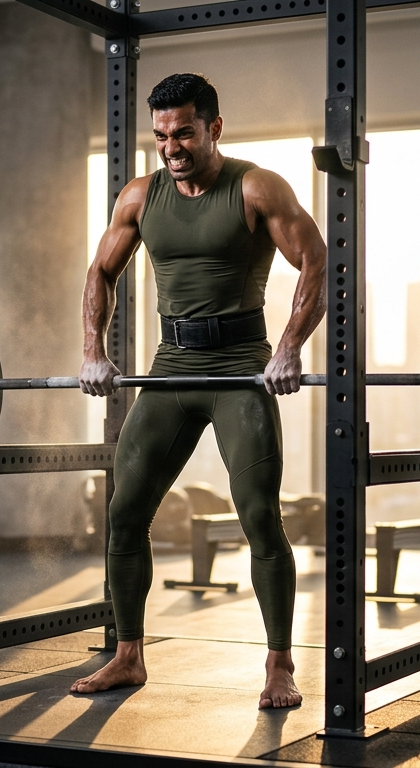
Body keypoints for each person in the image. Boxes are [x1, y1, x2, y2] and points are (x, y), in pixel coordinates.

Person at [71, 74, 327, 709]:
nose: (170, 146)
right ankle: (127, 655)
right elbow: (100, 272)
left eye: (183, 132)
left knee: (261, 518)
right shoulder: (139, 196)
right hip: (170, 369)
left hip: (240, 369)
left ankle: (279, 665)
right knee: (124, 513)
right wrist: (92, 351)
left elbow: (319, 261)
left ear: (214, 127)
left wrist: (291, 346)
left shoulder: (256, 186)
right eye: (160, 135)